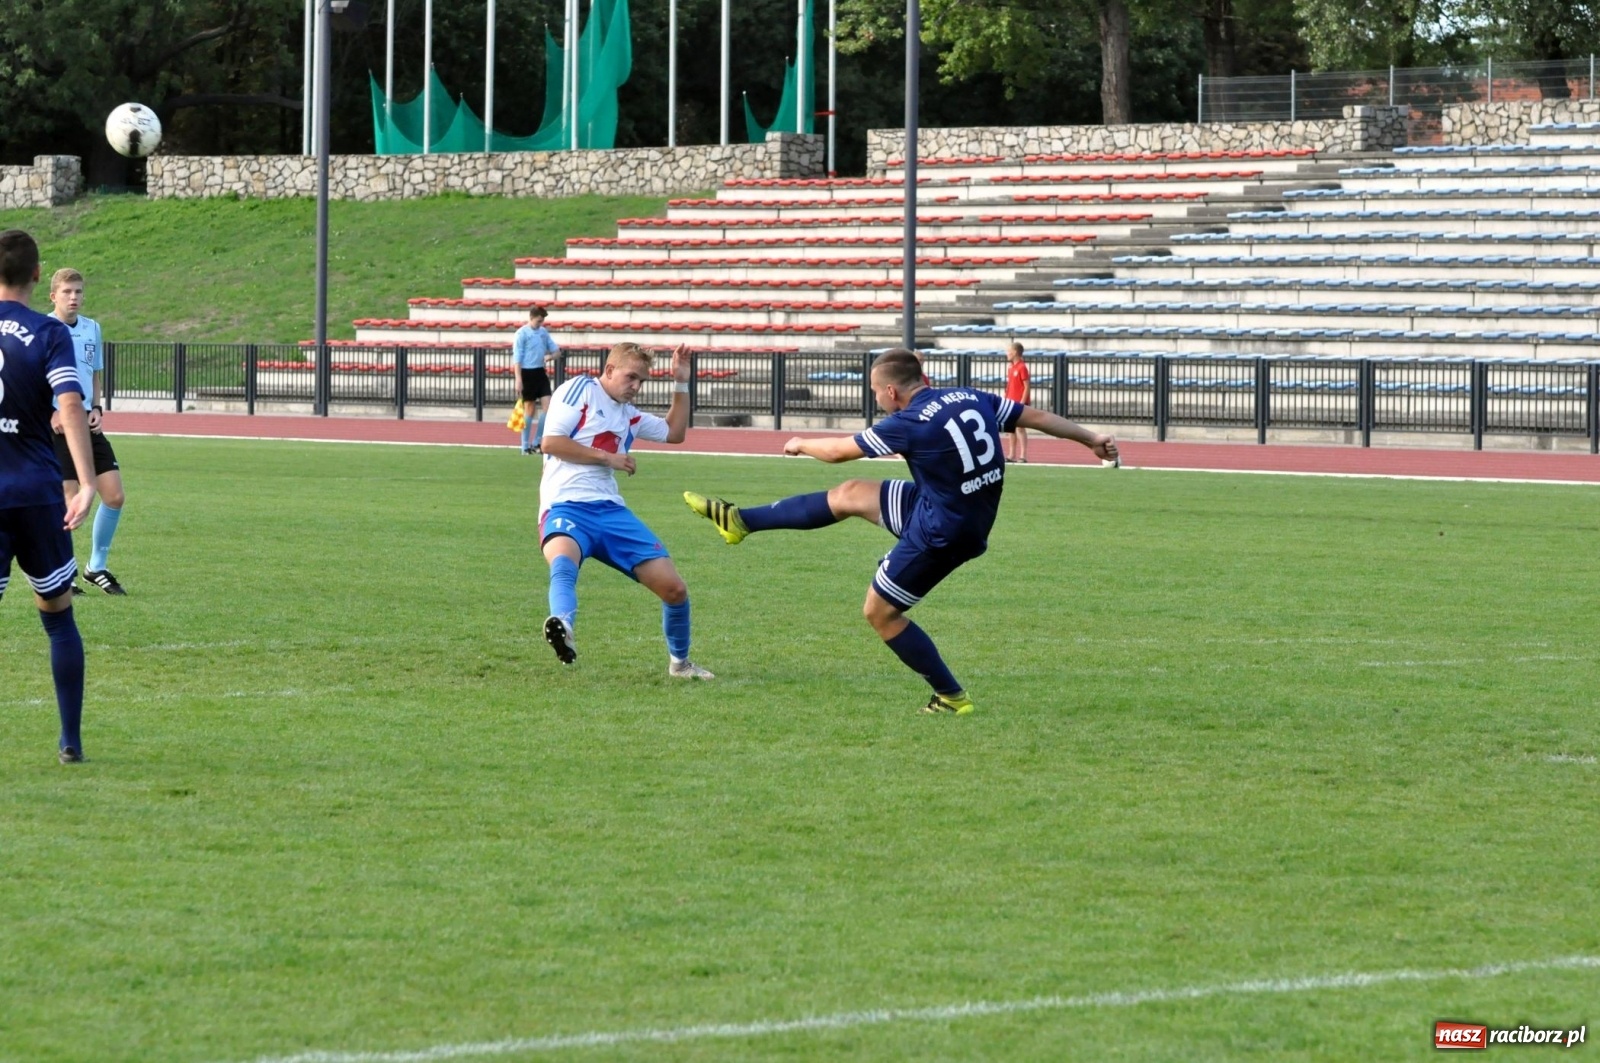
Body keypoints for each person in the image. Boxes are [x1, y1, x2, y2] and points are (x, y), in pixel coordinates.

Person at [685, 347, 1117, 714]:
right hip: (948, 508)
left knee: (879, 613)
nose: (878, 399)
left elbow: (837, 452)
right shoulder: (969, 396)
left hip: (941, 532)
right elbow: (1035, 415)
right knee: (852, 494)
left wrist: (800, 443)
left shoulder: (908, 421)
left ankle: (951, 697)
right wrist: (1090, 438)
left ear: (891, 391)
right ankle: (740, 521)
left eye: (876, 392)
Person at [539, 341, 714, 679]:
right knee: (563, 564)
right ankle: (563, 626)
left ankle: (680, 665)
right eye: (631, 377)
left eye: (642, 381)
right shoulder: (581, 389)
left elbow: (674, 433)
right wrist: (609, 458)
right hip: (565, 505)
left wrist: (681, 381)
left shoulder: (629, 414)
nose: (636, 386)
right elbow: (551, 442)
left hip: (611, 512)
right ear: (609, 370)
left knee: (675, 590)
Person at [0, 230, 98, 763]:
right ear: (39, 275)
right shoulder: (48, 331)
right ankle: (70, 742)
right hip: (38, 493)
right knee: (58, 616)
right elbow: (71, 405)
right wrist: (85, 482)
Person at [48, 268, 127, 595]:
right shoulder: (43, 329)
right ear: (53, 296)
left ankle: (96, 566)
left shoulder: (92, 328)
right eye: (67, 292)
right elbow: (30, 379)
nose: (73, 297)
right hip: (57, 425)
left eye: (78, 291)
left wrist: (97, 408)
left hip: (86, 421)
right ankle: (63, 572)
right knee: (68, 502)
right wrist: (49, 412)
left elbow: (94, 374)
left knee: (115, 495)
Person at [513, 305, 559, 454]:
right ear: (531, 318)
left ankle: (537, 441)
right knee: (530, 409)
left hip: (540, 372)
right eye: (539, 320)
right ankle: (525, 445)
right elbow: (517, 358)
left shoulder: (543, 332)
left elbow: (556, 351)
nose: (540, 323)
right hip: (527, 373)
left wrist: (551, 356)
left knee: (548, 407)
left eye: (542, 321)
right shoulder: (522, 333)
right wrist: (518, 379)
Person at [1003, 341, 1030, 463]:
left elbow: (1026, 386)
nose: (1007, 353)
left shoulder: (1022, 367)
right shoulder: (1011, 367)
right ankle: (1011, 454)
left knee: (1020, 428)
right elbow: (1010, 385)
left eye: (1008, 351)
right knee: (1010, 429)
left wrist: (1022, 402)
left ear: (1014, 352)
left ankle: (1023, 455)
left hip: (1019, 402)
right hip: (1010, 402)